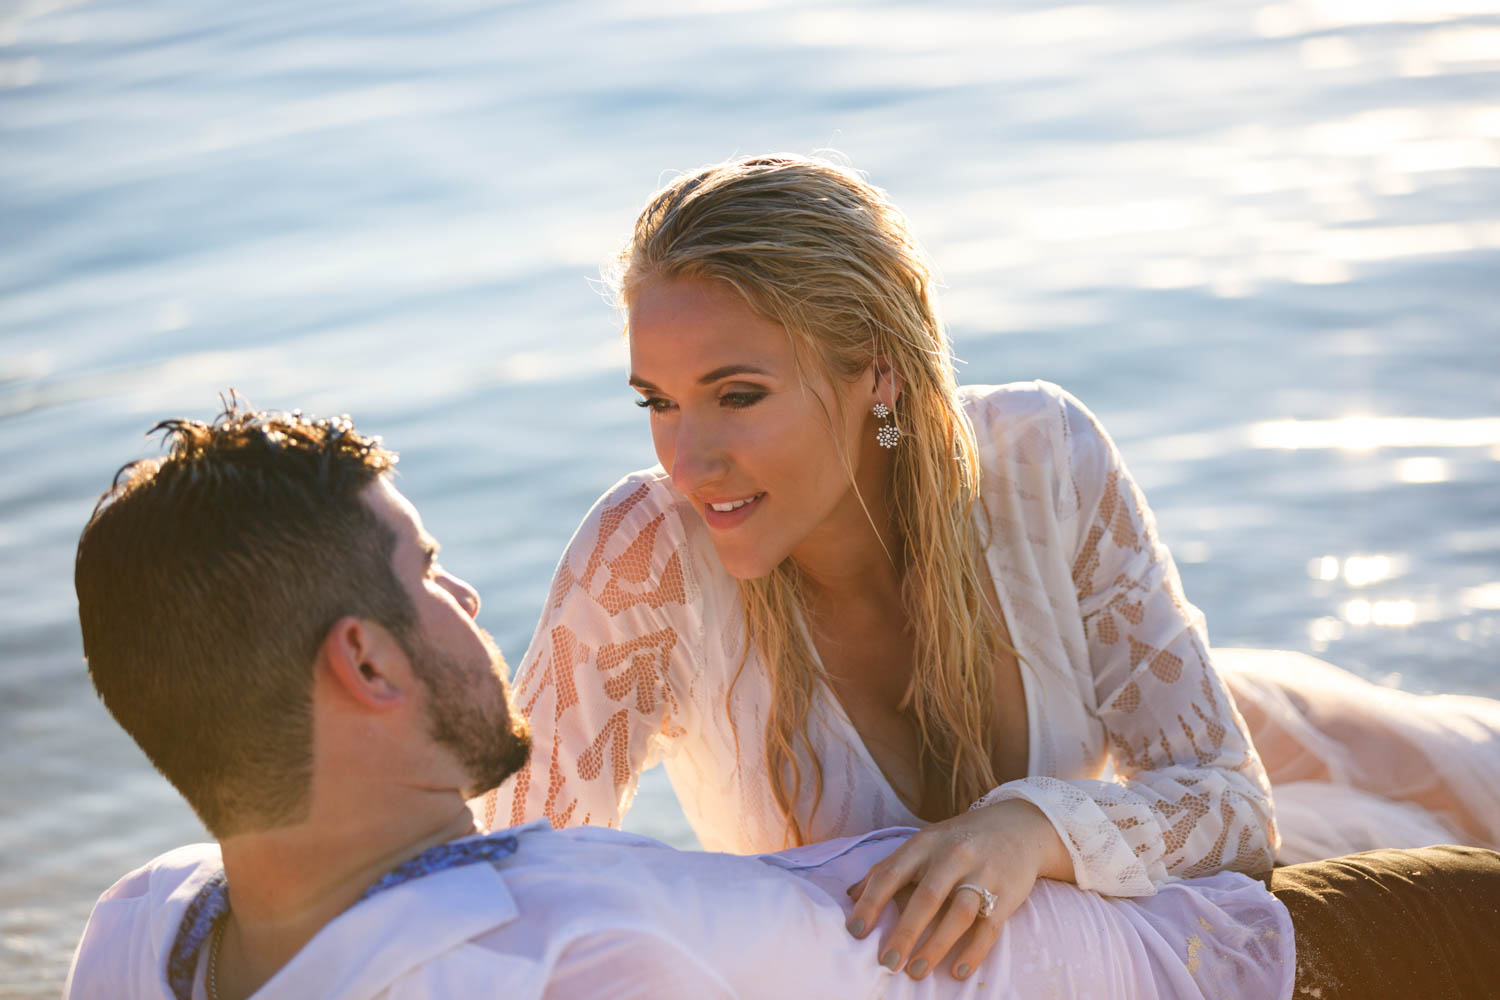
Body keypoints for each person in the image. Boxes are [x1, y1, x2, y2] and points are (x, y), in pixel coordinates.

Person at [63, 403, 1500, 999]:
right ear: (364, 667)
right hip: (1225, 969)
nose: (468, 605)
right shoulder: (539, 963)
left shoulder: (150, 924)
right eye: (427, 579)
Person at [479, 153, 1500, 979]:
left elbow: (1232, 809)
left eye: (737, 394)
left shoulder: (1044, 462)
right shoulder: (647, 557)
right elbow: (516, 886)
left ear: (877, 369)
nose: (686, 458)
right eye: (655, 400)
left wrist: (1028, 828)